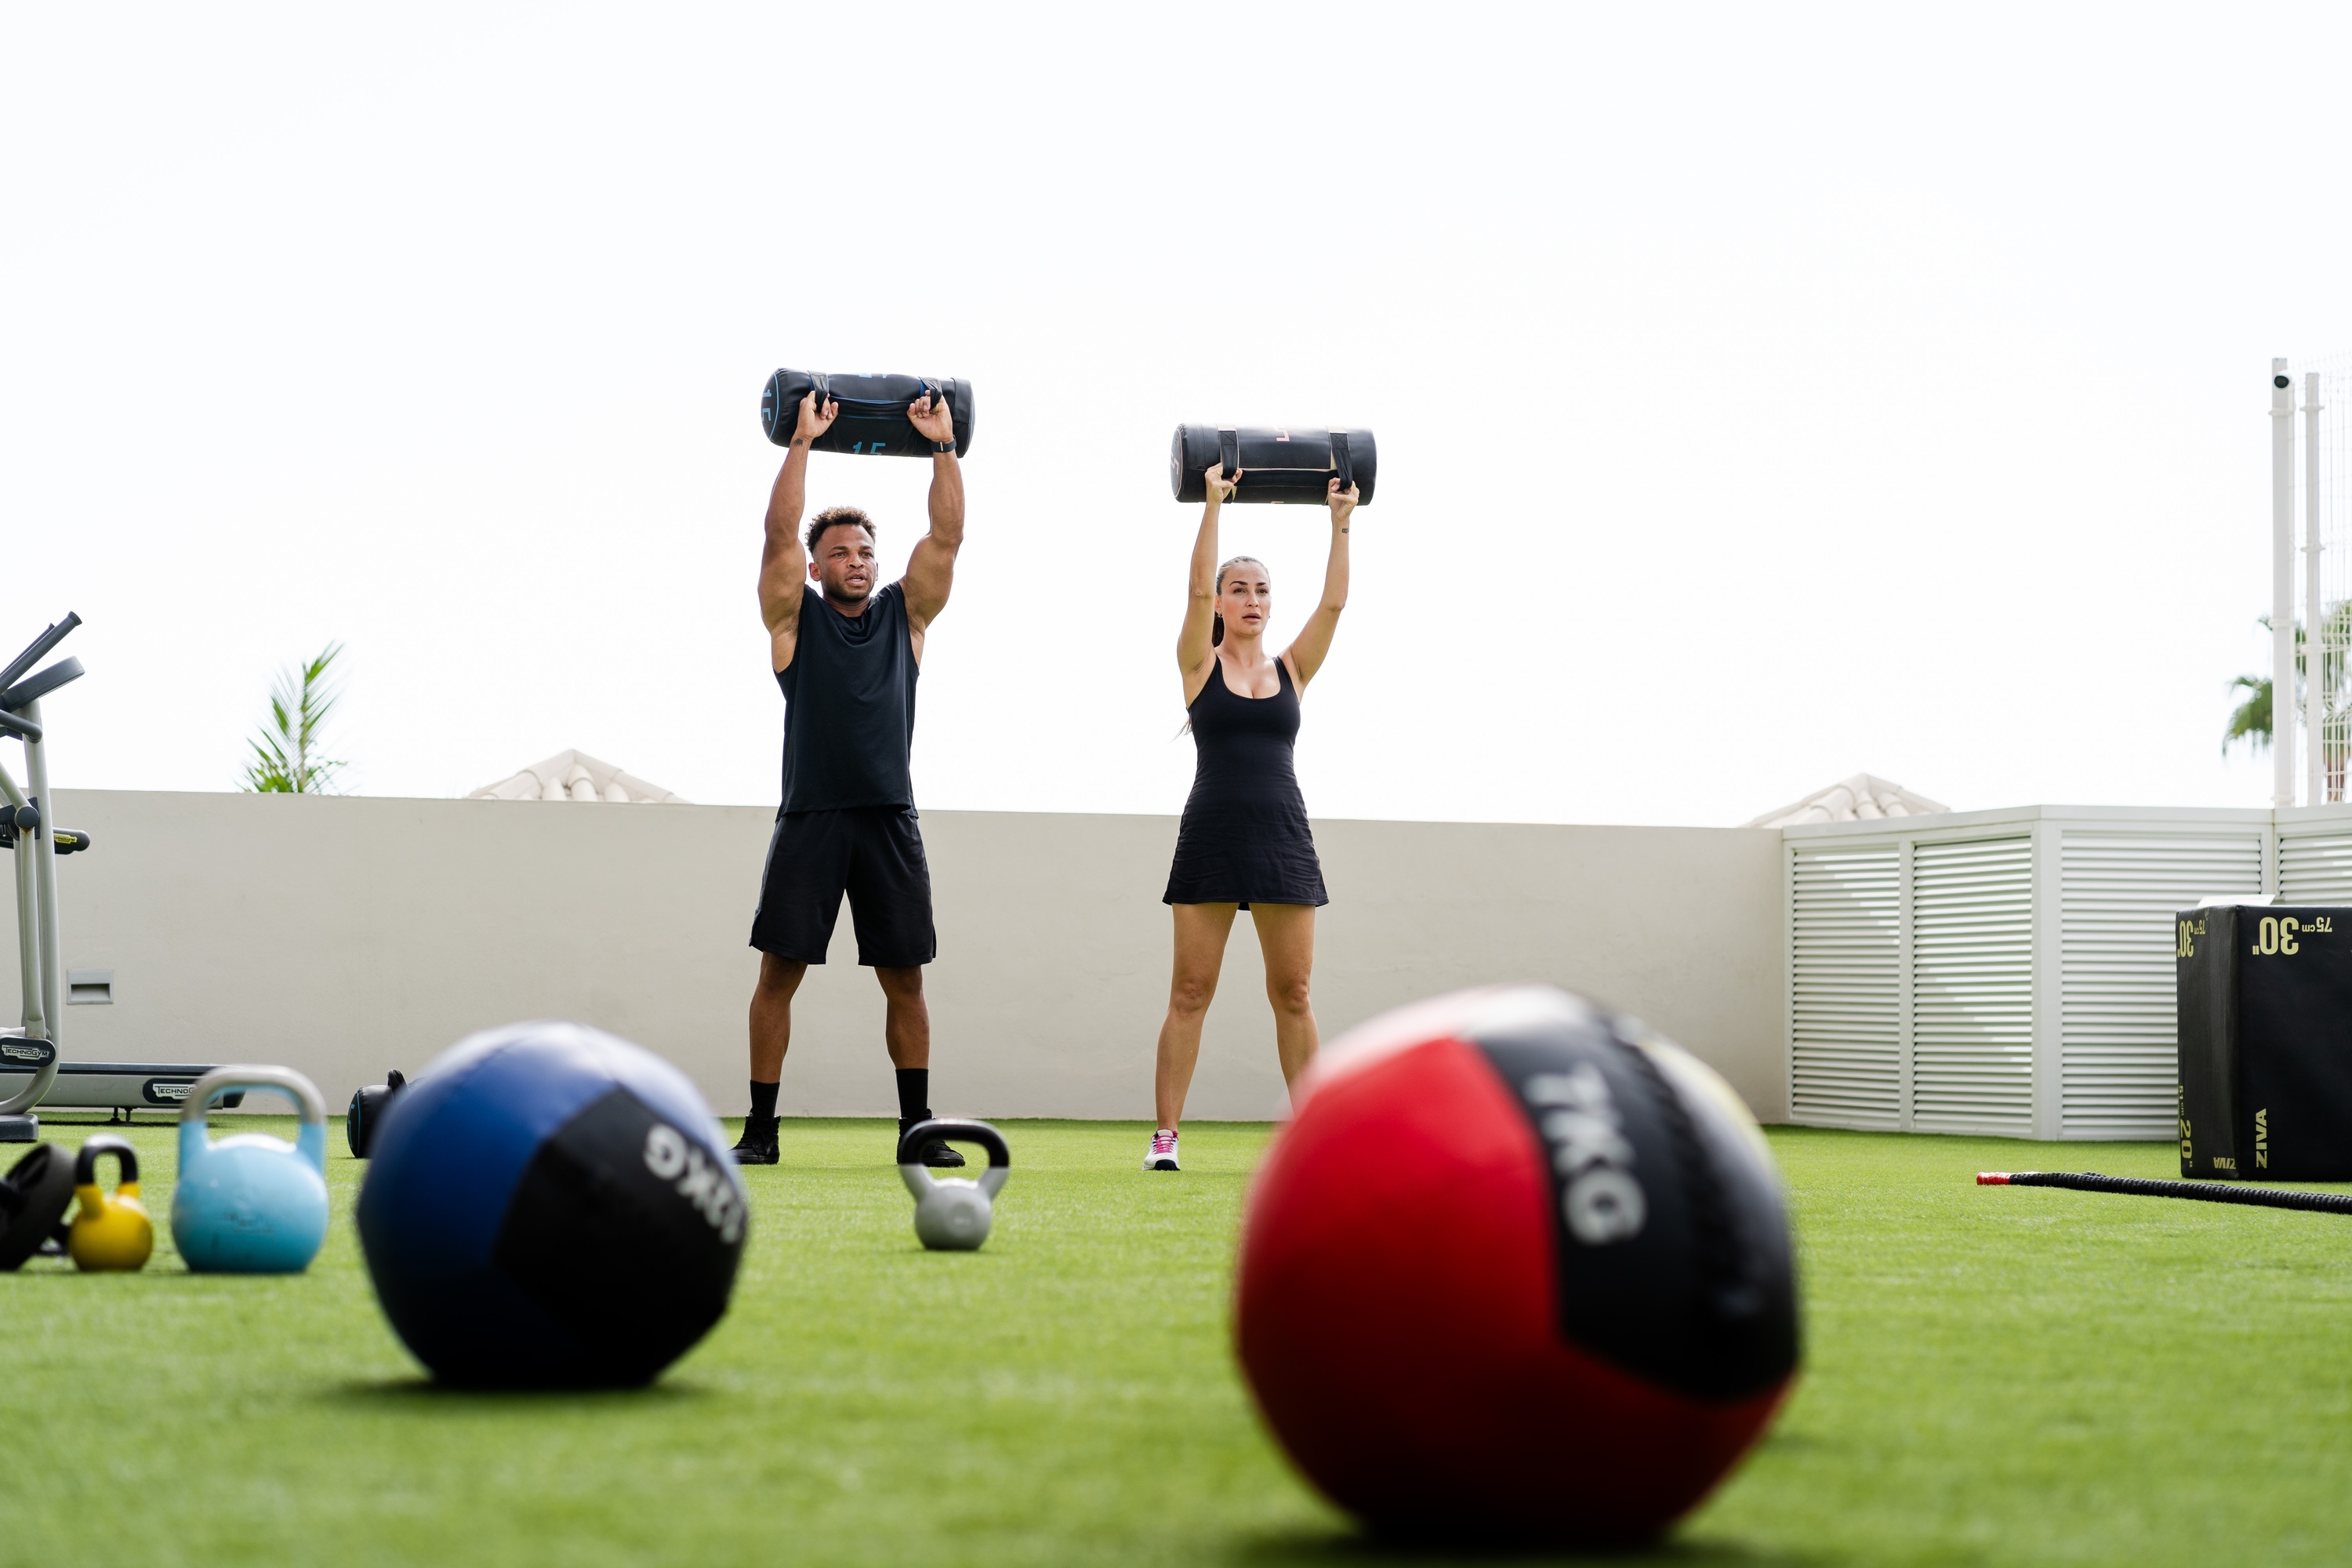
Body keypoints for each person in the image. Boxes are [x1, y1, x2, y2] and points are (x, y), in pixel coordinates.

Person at [732, 388, 967, 1167]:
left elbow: (948, 533)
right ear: (816, 563)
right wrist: (800, 442)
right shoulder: (793, 617)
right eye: (839, 551)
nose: (855, 560)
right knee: (779, 977)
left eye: (865, 550)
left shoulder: (910, 615)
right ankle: (762, 1130)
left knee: (906, 981)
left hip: (889, 819)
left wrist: (941, 444)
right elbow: (774, 533)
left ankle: (917, 1129)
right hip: (812, 818)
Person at [1144, 463, 1357, 1171]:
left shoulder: (1293, 668)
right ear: (1223, 604)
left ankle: (1317, 1137)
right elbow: (1196, 585)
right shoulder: (1198, 664)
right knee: (1190, 992)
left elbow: (1332, 607)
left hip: (1282, 841)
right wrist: (1211, 505)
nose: (1252, 599)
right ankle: (1166, 1138)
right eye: (1240, 589)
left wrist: (1340, 522)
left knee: (1293, 993)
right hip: (1210, 836)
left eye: (1262, 589)